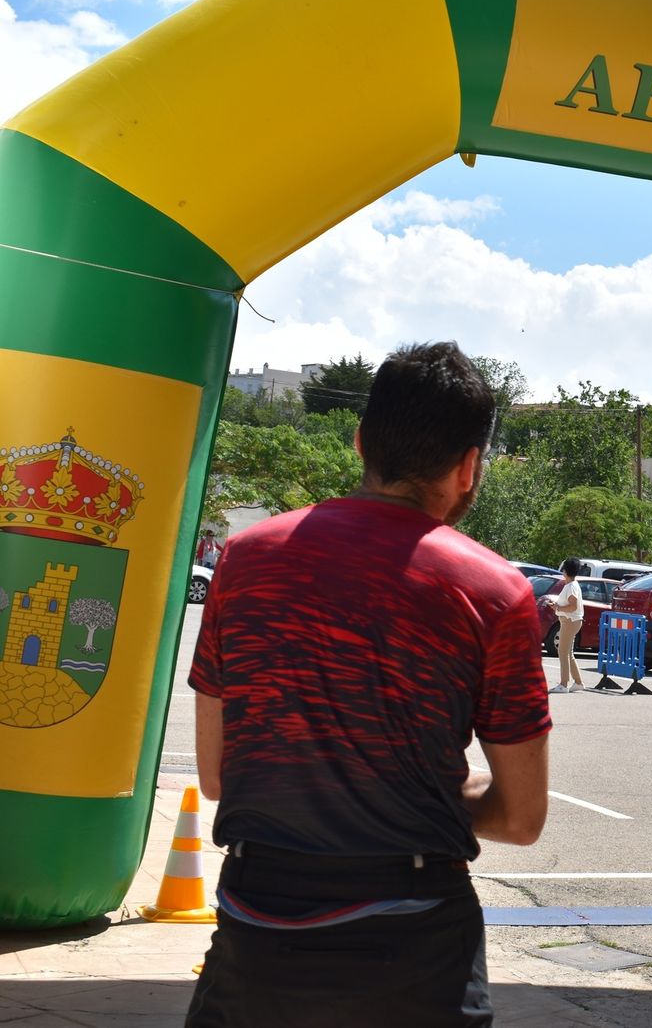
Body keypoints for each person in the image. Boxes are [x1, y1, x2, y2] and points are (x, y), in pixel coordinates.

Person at [186, 343, 551, 1028]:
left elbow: (217, 774)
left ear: (359, 441)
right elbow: (522, 817)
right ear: (469, 465)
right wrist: (410, 787)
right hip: (415, 947)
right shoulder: (496, 593)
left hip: (258, 927)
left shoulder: (245, 558)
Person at [542, 557, 586, 693]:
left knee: (562, 652)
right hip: (572, 621)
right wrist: (557, 606)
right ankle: (578, 682)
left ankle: (563, 684)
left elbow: (573, 606)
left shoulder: (571, 586)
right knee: (568, 653)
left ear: (565, 571)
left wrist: (558, 608)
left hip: (570, 621)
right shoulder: (572, 585)